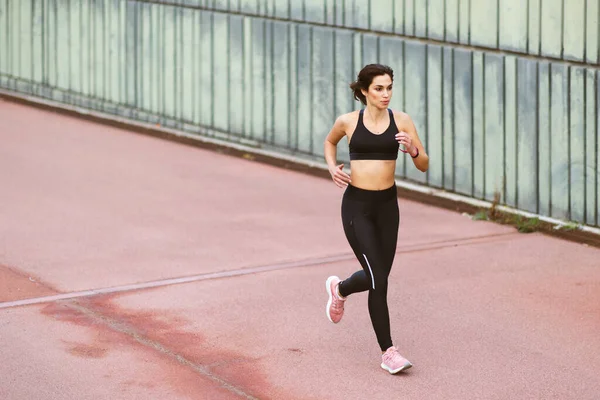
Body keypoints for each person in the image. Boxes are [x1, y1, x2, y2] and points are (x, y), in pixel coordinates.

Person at [323, 63, 429, 374]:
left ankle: (340, 289)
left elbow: (424, 164)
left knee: (376, 276)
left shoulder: (403, 120)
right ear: (364, 91)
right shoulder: (348, 122)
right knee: (378, 281)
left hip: (387, 208)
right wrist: (332, 167)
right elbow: (330, 143)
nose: (385, 94)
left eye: (389, 88)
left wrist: (412, 149)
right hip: (357, 207)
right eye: (379, 88)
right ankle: (388, 352)